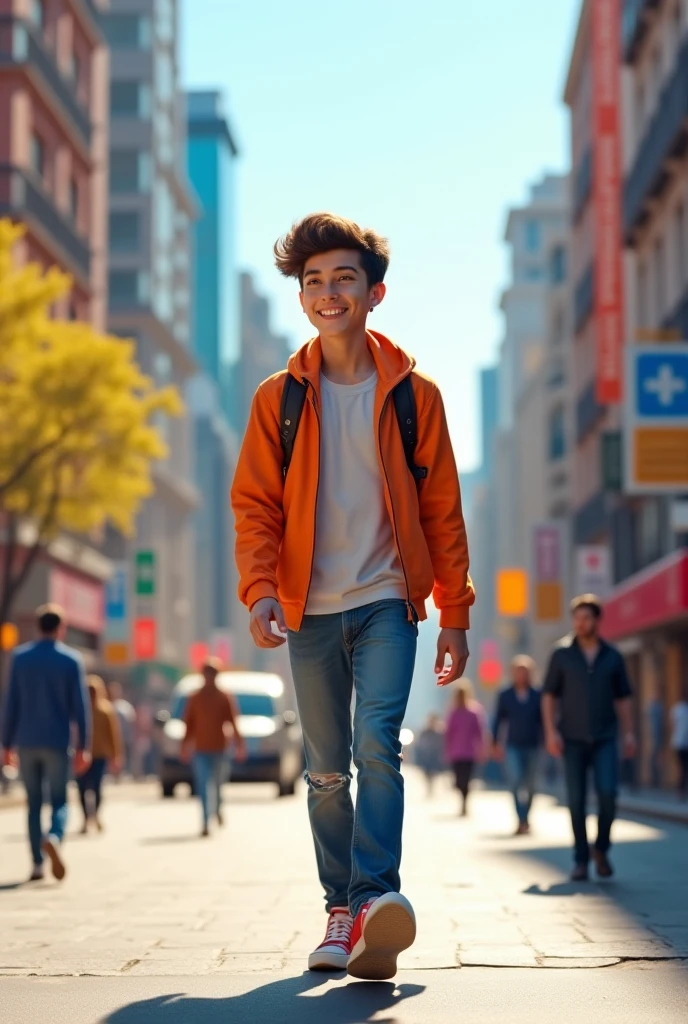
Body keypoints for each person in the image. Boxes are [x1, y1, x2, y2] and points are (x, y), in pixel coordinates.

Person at [231, 213, 474, 980]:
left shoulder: (414, 395)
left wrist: (455, 613)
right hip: (308, 608)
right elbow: (255, 506)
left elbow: (443, 512)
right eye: (313, 281)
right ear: (301, 296)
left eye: (343, 279)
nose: (327, 293)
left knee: (379, 747)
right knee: (326, 768)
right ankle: (340, 909)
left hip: (386, 604)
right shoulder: (280, 399)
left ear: (375, 293)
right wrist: (261, 589)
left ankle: (375, 900)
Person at [542, 594, 636, 882]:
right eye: (577, 618)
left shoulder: (613, 656)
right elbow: (549, 696)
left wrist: (629, 732)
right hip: (571, 738)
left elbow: (622, 699)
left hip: (606, 737)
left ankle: (601, 849)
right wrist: (550, 731)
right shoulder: (561, 654)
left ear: (597, 620)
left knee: (609, 795)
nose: (581, 623)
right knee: (576, 800)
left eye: (586, 618)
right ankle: (581, 860)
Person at [1, 604, 91, 881]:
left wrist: (5, 745)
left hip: (26, 741)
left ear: (38, 627)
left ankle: (37, 864)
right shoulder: (70, 660)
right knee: (60, 801)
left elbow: (11, 703)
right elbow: (80, 706)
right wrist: (84, 746)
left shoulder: (20, 657)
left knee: (34, 802)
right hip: (57, 741)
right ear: (61, 629)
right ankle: (53, 835)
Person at [181, 658, 247, 836]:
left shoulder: (224, 697)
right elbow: (189, 724)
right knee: (203, 785)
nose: (209, 677)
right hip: (201, 749)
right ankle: (205, 821)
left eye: (213, 674)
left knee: (218, 784)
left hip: (220, 748)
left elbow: (233, 721)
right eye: (207, 674)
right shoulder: (195, 698)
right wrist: (184, 746)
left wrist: (239, 745)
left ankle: (217, 809)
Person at [492, 655, 542, 835]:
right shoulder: (505, 695)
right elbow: (498, 720)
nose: (521, 675)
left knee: (531, 785)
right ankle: (521, 819)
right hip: (512, 745)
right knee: (515, 781)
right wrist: (495, 743)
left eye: (524, 672)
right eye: (518, 671)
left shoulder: (538, 694)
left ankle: (526, 817)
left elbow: (544, 720)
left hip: (534, 745)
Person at [78, 676, 123, 833]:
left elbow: (113, 734)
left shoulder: (105, 710)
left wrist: (116, 755)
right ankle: (85, 818)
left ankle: (95, 816)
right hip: (82, 754)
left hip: (100, 755)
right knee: (82, 788)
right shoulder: (79, 710)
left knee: (96, 787)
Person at [444, 680, 486, 817]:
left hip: (469, 752)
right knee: (458, 780)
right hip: (456, 752)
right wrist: (447, 750)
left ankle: (464, 803)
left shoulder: (474, 711)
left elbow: (479, 731)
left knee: (467, 779)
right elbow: (448, 733)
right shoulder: (453, 712)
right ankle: (462, 796)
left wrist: (482, 749)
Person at [108, 681, 136, 778]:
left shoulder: (125, 707)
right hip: (112, 738)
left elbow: (132, 722)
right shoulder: (107, 706)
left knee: (124, 756)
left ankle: (122, 773)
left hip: (124, 737)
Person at [414, 712, 445, 797]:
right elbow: (419, 744)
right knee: (426, 774)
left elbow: (442, 744)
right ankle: (429, 788)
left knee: (433, 773)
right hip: (425, 756)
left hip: (434, 756)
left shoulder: (439, 733)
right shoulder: (424, 732)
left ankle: (431, 788)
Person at [670, 696, 688, 800]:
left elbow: (673, 726)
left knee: (681, 768)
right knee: (684, 768)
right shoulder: (679, 710)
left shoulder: (675, 709)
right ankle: (682, 790)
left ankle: (680, 791)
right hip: (684, 743)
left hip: (677, 742)